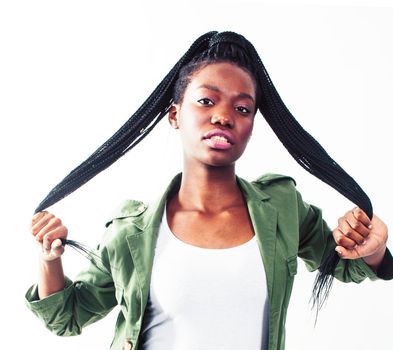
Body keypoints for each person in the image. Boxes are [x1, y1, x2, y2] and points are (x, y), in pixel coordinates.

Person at [26, 31, 392, 350]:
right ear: (174, 115)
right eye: (206, 100)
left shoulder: (281, 207)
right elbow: (67, 317)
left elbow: (345, 265)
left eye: (243, 108)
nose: (223, 116)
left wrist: (373, 251)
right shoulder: (130, 232)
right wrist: (49, 258)